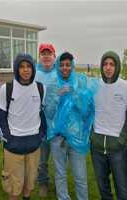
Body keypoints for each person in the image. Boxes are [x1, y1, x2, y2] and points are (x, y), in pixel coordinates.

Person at [0, 53, 46, 200]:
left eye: (28, 66)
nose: (25, 70)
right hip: (14, 145)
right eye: (22, 67)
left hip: (34, 145)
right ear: (16, 69)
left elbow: (42, 114)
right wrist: (9, 139)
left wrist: (40, 136)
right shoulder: (7, 88)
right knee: (14, 186)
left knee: (29, 184)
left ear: (33, 69)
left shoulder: (41, 88)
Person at [50, 52, 97, 200]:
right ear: (58, 66)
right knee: (60, 175)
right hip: (58, 139)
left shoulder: (80, 84)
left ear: (72, 66)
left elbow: (86, 112)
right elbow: (49, 113)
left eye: (68, 65)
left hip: (77, 138)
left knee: (81, 177)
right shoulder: (52, 85)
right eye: (62, 65)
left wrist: (77, 96)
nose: (65, 68)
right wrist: (57, 96)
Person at [91, 51, 127, 200]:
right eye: (105, 64)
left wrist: (122, 138)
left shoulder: (125, 86)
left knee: (122, 189)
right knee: (103, 188)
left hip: (118, 148)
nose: (108, 67)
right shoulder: (95, 86)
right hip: (97, 147)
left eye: (112, 64)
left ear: (117, 66)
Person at [35, 43, 57, 197]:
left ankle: (59, 183)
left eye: (49, 54)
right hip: (40, 123)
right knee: (42, 158)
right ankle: (43, 182)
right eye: (44, 54)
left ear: (54, 56)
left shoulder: (61, 73)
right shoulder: (34, 74)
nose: (46, 56)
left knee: (59, 158)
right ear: (40, 57)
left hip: (58, 122)